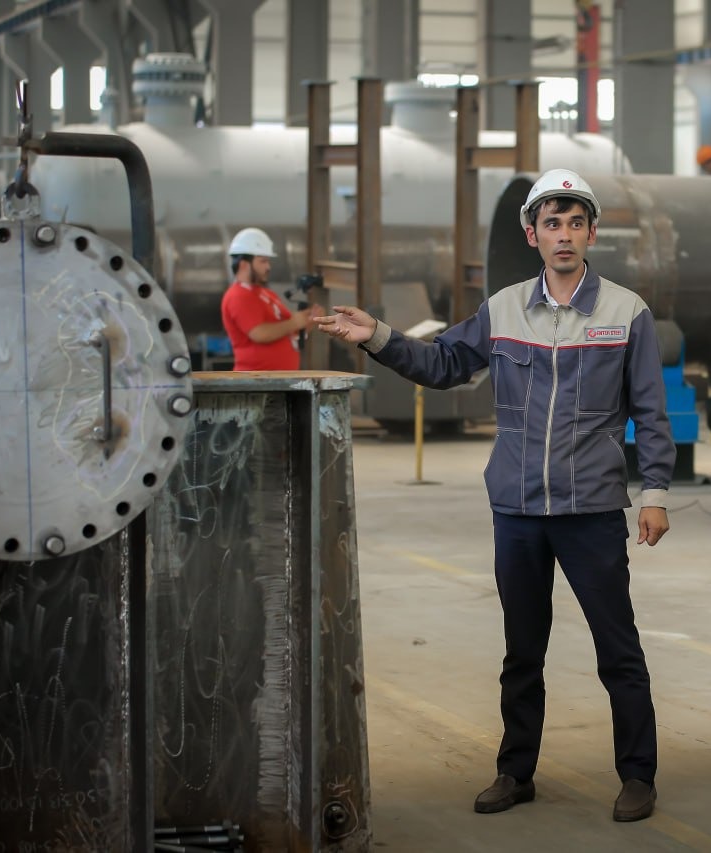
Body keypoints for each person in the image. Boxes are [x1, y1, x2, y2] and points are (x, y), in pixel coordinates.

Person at [314, 169, 675, 823]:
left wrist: (654, 492)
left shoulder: (627, 313)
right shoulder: (504, 309)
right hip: (517, 509)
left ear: (592, 233)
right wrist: (378, 336)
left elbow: (651, 411)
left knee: (617, 647)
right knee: (522, 651)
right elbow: (443, 363)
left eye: (575, 223)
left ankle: (638, 775)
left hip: (591, 509)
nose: (563, 235)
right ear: (532, 234)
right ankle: (515, 771)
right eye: (551, 224)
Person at [220, 227, 321, 371]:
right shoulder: (238, 296)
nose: (268, 267)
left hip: (275, 380)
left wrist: (307, 322)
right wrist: (294, 322)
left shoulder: (266, 294)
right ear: (243, 264)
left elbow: (287, 334)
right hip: (256, 380)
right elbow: (259, 333)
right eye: (263, 261)